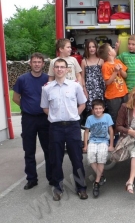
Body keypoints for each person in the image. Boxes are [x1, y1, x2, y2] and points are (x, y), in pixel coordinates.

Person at [40, 59, 87, 201]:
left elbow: (83, 103)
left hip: (73, 126)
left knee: (77, 159)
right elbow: (45, 108)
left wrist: (73, 116)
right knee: (55, 159)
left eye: (62, 67)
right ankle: (58, 188)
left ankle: (81, 188)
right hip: (55, 128)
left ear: (67, 70)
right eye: (57, 67)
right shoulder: (46, 88)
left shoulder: (75, 86)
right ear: (53, 70)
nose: (60, 69)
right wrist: (55, 118)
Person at [13, 52, 52, 190]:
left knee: (48, 149)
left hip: (44, 118)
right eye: (34, 62)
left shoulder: (48, 79)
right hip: (28, 119)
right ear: (30, 64)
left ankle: (51, 178)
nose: (36, 64)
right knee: (29, 150)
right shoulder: (22, 79)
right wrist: (26, 107)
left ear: (43, 64)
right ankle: (31, 179)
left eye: (39, 62)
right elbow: (16, 98)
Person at [82, 99, 114, 198]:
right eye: (96, 108)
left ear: (103, 109)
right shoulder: (90, 118)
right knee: (90, 158)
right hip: (93, 140)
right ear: (92, 109)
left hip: (104, 140)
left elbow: (111, 131)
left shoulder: (107, 117)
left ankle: (96, 182)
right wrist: (86, 145)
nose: (98, 110)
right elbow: (86, 132)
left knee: (101, 157)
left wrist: (111, 145)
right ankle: (101, 176)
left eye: (100, 108)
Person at [99, 43, 128, 135]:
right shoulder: (105, 66)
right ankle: (114, 136)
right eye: (111, 48)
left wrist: (120, 70)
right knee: (114, 116)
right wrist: (115, 72)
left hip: (123, 93)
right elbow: (107, 82)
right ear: (109, 53)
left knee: (125, 114)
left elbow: (125, 75)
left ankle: (124, 133)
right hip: (113, 96)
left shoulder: (118, 61)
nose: (113, 49)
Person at [80, 39, 105, 115]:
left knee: (100, 108)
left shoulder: (101, 61)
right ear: (87, 49)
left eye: (93, 46)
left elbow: (104, 76)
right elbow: (82, 77)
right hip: (89, 89)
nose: (91, 49)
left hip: (100, 88)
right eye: (89, 47)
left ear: (96, 48)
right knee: (91, 109)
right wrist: (84, 89)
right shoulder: (84, 61)